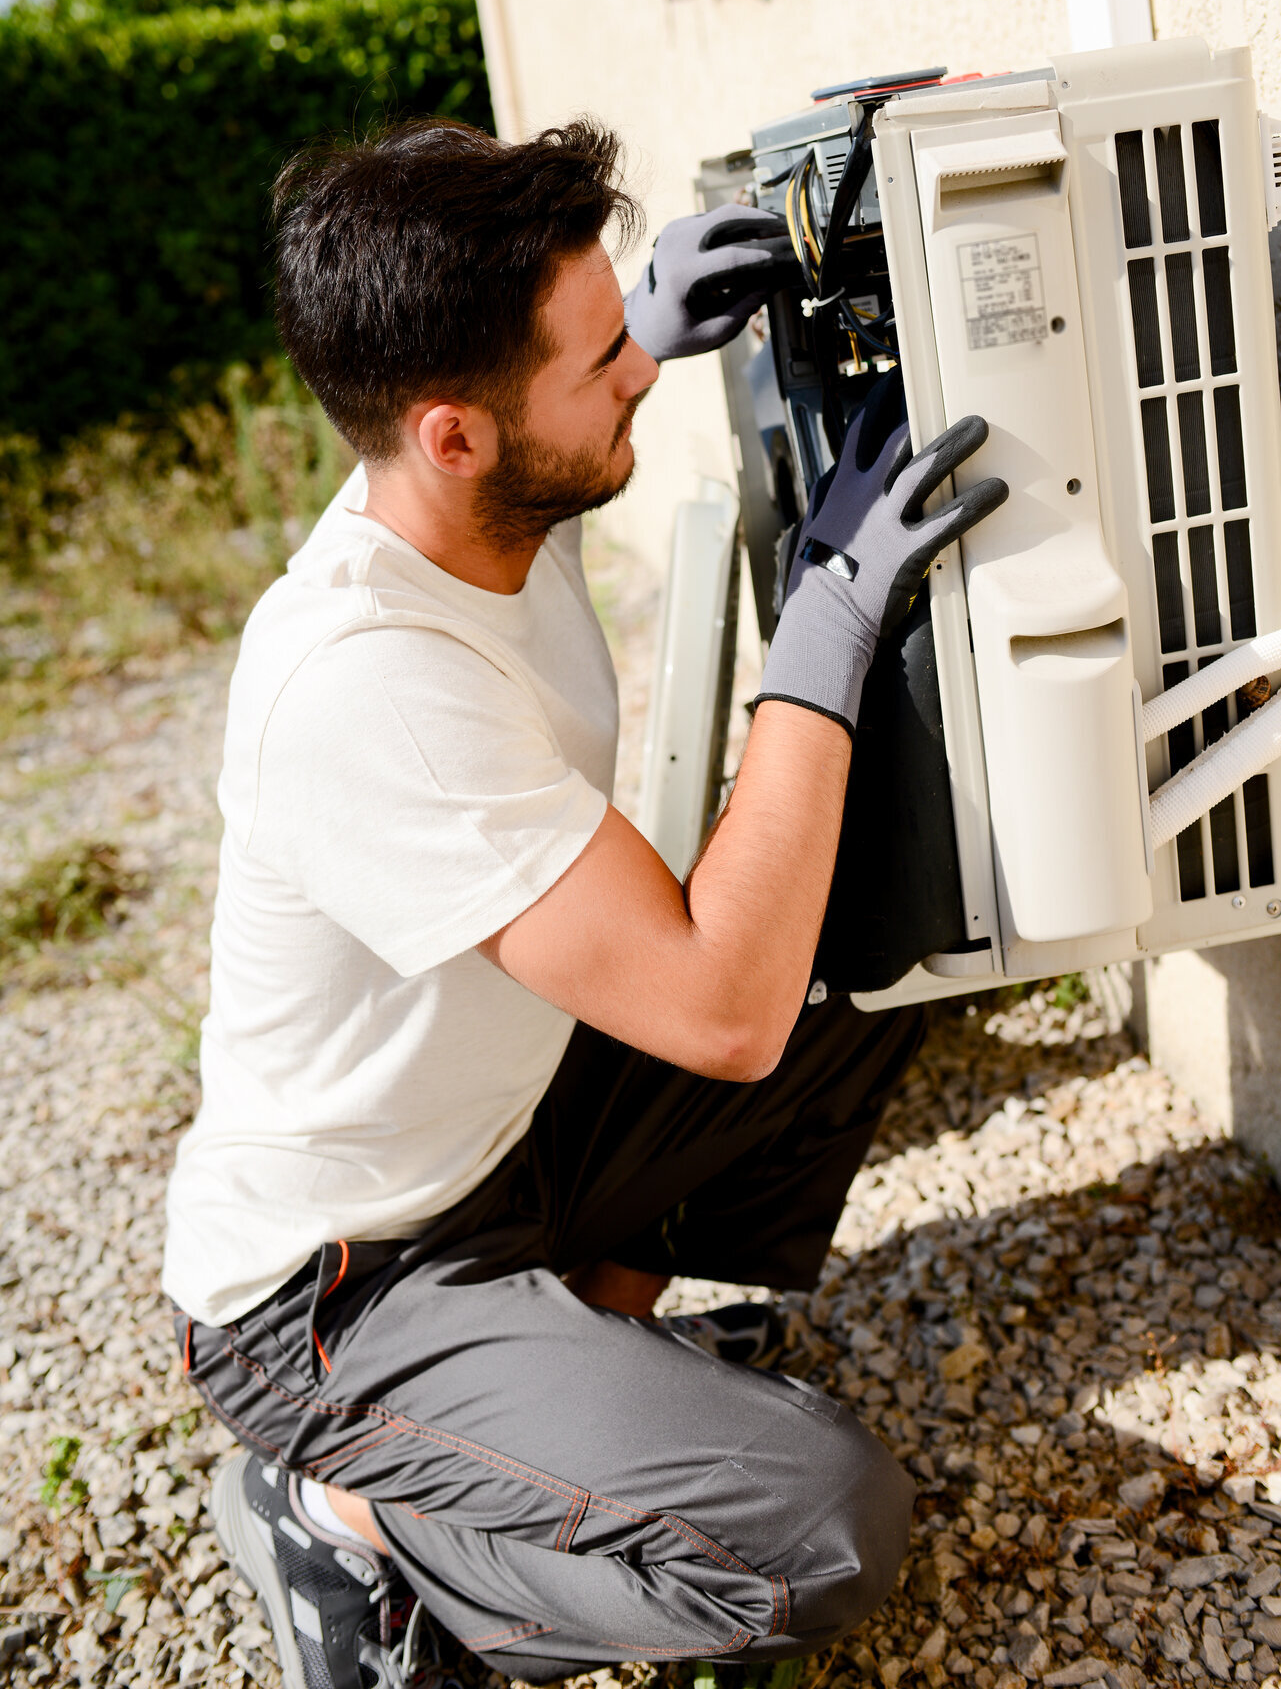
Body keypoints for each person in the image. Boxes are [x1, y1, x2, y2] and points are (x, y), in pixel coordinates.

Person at [163, 116, 1006, 1689]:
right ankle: (350, 1516)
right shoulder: (368, 689)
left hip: (504, 1141)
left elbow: (764, 984)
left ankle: (591, 1349)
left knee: (886, 930)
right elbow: (719, 1012)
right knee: (822, 1527)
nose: (636, 365)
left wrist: (653, 341)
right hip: (340, 1290)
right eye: (602, 350)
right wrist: (817, 640)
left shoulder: (466, 504)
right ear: (454, 435)